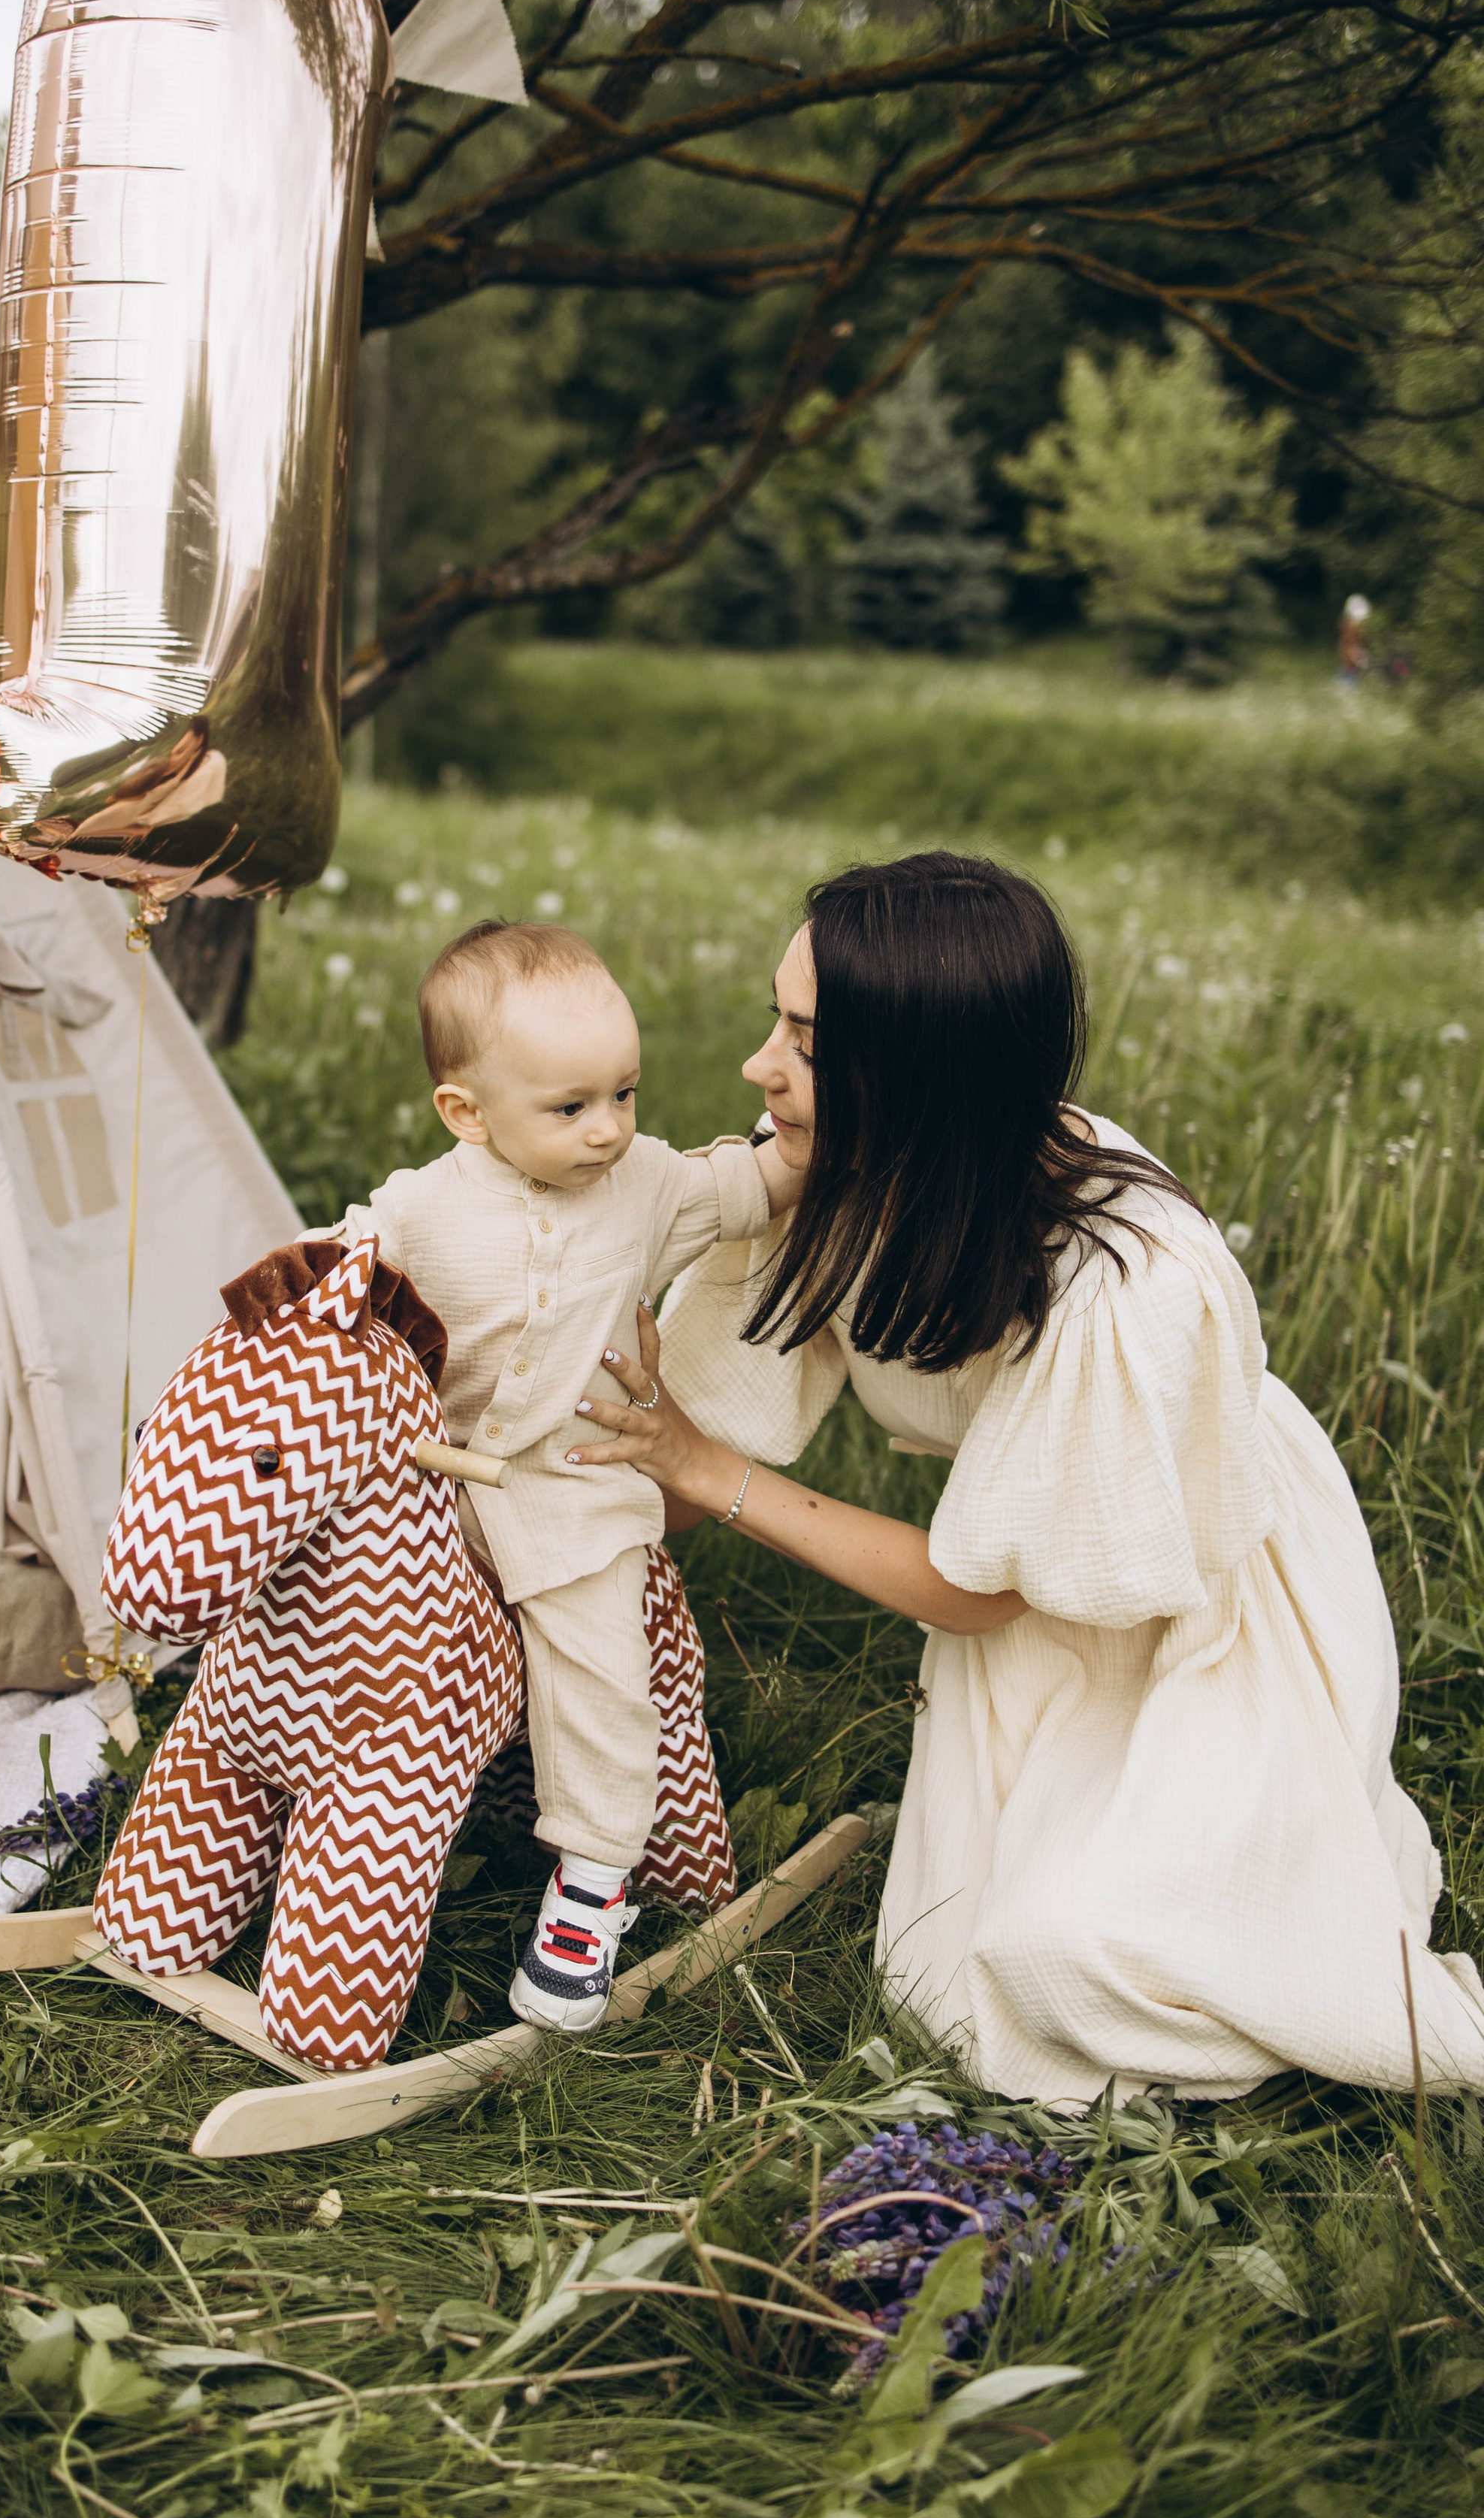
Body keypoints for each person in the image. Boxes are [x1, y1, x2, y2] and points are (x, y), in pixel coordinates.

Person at [564, 852, 1484, 2104]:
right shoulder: (814, 1175)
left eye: (807, 1042)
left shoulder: (1128, 1277)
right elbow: (672, 1430)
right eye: (776, 1019)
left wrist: (704, 1470)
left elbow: (969, 1591)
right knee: (950, 1979)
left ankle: (1315, 1891)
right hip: (1016, 1548)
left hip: (1200, 1579)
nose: (758, 1067)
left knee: (1074, 1960)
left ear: (924, 1074)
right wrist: (545, 1560)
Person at [325, 919, 802, 2032]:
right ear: (466, 1112)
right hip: (430, 1484)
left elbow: (757, 1183)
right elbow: (335, 1281)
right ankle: (315, 1818)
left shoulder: (648, 1188)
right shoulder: (419, 1206)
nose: (608, 1130)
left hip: (574, 1487)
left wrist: (843, 1127)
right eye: (572, 1107)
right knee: (330, 1604)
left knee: (603, 1673)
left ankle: (591, 1886)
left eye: (625, 1095)